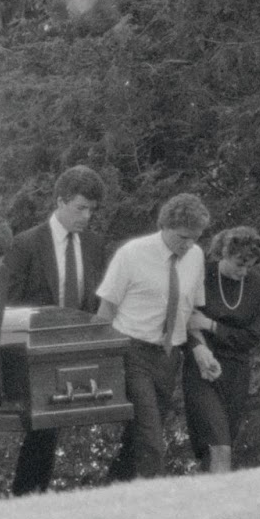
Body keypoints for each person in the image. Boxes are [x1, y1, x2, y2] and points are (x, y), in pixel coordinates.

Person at [3, 165, 108, 496]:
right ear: (60, 201)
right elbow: (10, 303)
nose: (87, 216)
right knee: (40, 429)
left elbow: (94, 301)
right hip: (32, 352)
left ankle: (34, 495)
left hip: (74, 349)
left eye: (92, 209)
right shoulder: (26, 244)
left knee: (53, 430)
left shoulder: (93, 245)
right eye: (80, 208)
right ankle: (25, 495)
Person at [95, 193, 213, 481]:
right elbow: (106, 309)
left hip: (169, 355)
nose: (188, 245)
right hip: (132, 351)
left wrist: (201, 349)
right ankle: (157, 493)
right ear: (165, 226)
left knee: (146, 430)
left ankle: (114, 487)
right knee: (150, 434)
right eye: (183, 237)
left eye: (194, 238)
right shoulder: (132, 254)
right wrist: (100, 361)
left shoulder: (195, 256)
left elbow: (190, 312)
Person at [182, 226, 260, 471]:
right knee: (218, 445)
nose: (243, 272)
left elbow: (250, 337)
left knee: (224, 445)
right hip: (202, 368)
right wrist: (199, 343)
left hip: (236, 373)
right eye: (238, 264)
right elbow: (185, 318)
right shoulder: (202, 274)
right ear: (224, 253)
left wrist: (211, 324)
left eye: (250, 266)